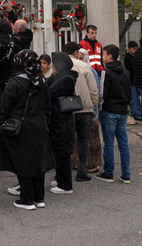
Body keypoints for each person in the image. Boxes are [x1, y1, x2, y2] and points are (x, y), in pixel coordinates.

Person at [0, 50, 56, 210]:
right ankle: (39, 197)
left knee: (23, 162)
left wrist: (0, 125)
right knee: (38, 162)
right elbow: (48, 105)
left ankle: (26, 199)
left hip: (21, 127)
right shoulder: (41, 81)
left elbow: (5, 106)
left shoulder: (15, 82)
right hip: (40, 126)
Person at [96, 45, 132, 184]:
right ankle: (126, 174)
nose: (103, 57)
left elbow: (102, 92)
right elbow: (129, 91)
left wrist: (101, 107)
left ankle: (109, 172)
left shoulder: (107, 72)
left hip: (110, 110)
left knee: (109, 143)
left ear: (110, 56)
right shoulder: (125, 71)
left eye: (104, 55)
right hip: (123, 110)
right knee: (123, 143)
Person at [47, 52, 77, 194]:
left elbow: (49, 92)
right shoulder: (61, 77)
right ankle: (60, 178)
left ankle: (66, 185)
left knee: (62, 153)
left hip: (62, 122)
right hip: (59, 121)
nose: (51, 66)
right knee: (58, 152)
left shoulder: (66, 79)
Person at [68, 48, 99, 182]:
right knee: (83, 141)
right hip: (85, 109)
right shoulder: (85, 66)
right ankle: (81, 171)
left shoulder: (60, 65)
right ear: (76, 52)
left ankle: (63, 172)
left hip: (67, 109)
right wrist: (93, 105)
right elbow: (93, 89)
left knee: (67, 141)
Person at [123, 41, 142, 124]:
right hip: (132, 81)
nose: (135, 51)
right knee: (135, 99)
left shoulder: (138, 57)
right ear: (130, 49)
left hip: (140, 80)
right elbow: (129, 68)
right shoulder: (127, 58)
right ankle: (137, 115)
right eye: (134, 49)